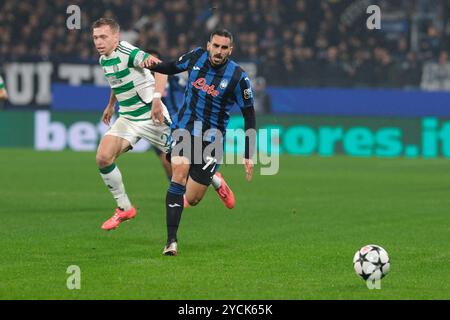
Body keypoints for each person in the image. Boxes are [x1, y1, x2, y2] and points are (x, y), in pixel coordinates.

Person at [141, 29, 256, 256]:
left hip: (212, 139)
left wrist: (248, 153)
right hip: (184, 128)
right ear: (208, 45)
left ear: (230, 50)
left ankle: (215, 178)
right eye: (216, 46)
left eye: (224, 48)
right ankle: (171, 241)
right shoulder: (196, 57)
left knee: (192, 199)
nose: (219, 51)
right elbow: (171, 67)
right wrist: (149, 65)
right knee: (178, 174)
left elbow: (249, 115)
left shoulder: (238, 77)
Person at [92, 18, 172, 231]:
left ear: (116, 38)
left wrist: (157, 99)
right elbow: (116, 81)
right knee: (103, 157)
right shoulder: (104, 60)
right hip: (127, 118)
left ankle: (215, 178)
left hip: (150, 115)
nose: (99, 42)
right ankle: (124, 207)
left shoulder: (129, 52)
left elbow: (162, 69)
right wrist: (110, 105)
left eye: (103, 37)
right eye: (95, 37)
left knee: (188, 162)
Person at [147, 49, 235, 209]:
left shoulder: (171, 78)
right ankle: (205, 182)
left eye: (156, 60)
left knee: (184, 160)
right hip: (155, 125)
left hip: (175, 122)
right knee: (166, 161)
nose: (153, 64)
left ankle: (197, 185)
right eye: (150, 60)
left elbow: (189, 86)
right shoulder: (142, 78)